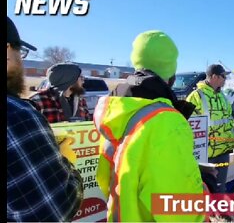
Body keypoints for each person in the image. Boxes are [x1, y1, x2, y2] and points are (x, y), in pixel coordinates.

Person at [94, 30, 204, 222]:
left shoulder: (117, 110)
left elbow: (105, 177)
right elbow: (178, 211)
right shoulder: (166, 121)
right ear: (171, 71)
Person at [7, 16, 83, 221]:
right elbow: (51, 208)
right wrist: (66, 162)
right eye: (19, 53)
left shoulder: (79, 101)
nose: (82, 81)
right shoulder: (24, 110)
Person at [187, 64, 234, 193]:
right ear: (214, 76)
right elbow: (187, 125)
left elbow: (228, 119)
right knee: (204, 190)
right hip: (206, 156)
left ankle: (220, 212)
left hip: (224, 151)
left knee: (220, 187)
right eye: (223, 76)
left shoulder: (223, 97)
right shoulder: (196, 97)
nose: (225, 79)